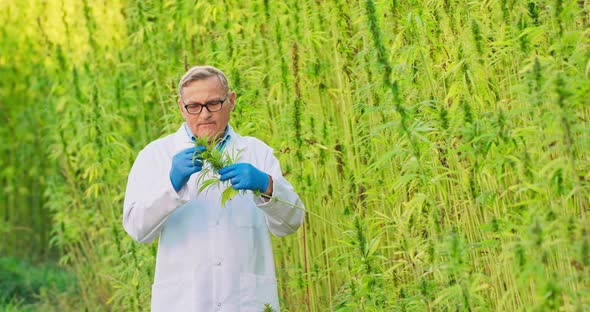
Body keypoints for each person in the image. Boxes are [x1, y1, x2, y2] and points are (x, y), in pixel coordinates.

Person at [123, 65, 304, 311]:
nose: (204, 114)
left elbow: (291, 222)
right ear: (181, 107)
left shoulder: (256, 152)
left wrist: (267, 186)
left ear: (230, 101)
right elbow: (137, 229)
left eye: (213, 104)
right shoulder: (156, 155)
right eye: (194, 106)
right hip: (184, 302)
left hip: (245, 302)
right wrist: (171, 185)